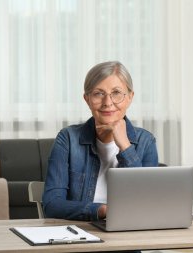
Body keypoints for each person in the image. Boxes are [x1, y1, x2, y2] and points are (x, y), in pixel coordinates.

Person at [43, 61, 158, 221]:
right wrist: (102, 210)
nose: (108, 103)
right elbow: (51, 204)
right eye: (98, 93)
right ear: (87, 98)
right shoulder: (68, 139)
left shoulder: (146, 141)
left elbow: (147, 204)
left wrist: (125, 146)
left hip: (128, 238)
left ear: (130, 97)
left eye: (116, 92)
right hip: (79, 235)